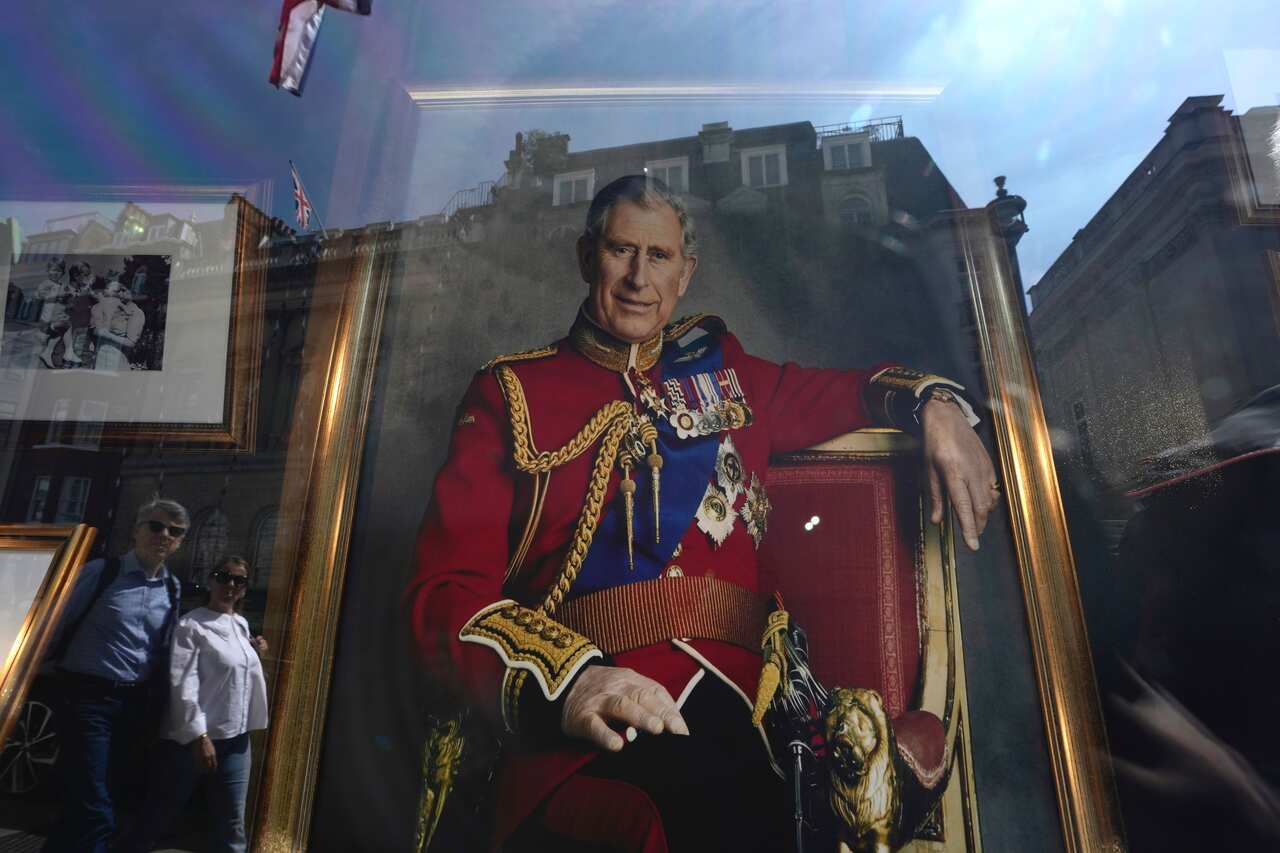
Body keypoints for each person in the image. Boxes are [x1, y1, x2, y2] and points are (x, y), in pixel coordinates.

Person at [407, 175, 998, 851]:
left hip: (748, 703)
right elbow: (442, 597)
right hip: (595, 709)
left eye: (658, 257)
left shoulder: (725, 370)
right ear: (584, 257)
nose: (637, 277)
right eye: (620, 251)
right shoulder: (512, 392)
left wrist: (934, 404)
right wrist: (568, 684)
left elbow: (845, 392)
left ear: (686, 273)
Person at [42, 499, 187, 853]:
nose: (164, 535)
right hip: (85, 698)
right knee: (97, 811)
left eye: (175, 531)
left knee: (90, 800)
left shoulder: (173, 589)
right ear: (136, 530)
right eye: (155, 526)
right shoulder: (101, 572)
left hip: (133, 704)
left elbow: (164, 649)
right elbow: (52, 624)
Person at [118, 556, 269, 853]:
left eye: (238, 580)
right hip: (191, 742)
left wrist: (258, 654)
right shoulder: (191, 625)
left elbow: (237, 674)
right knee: (158, 816)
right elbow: (183, 685)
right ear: (210, 580)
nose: (230, 584)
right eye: (223, 576)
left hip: (236, 739)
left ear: (244, 589)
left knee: (231, 824)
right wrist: (200, 736)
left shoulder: (240, 624)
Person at [92, 279, 145, 371]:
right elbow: (95, 329)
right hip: (100, 357)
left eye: (124, 290)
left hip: (117, 361)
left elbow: (130, 342)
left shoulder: (136, 312)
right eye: (119, 290)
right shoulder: (111, 308)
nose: (120, 293)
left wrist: (107, 335)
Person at [35, 259, 75, 369]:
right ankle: (69, 351)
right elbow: (39, 296)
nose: (56, 273)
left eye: (59, 271)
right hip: (48, 320)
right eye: (53, 270)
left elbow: (68, 299)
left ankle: (47, 354)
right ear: (48, 271)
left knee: (58, 336)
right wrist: (56, 295)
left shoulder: (63, 285)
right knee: (66, 326)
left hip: (58, 317)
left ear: (63, 273)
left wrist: (70, 295)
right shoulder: (46, 283)